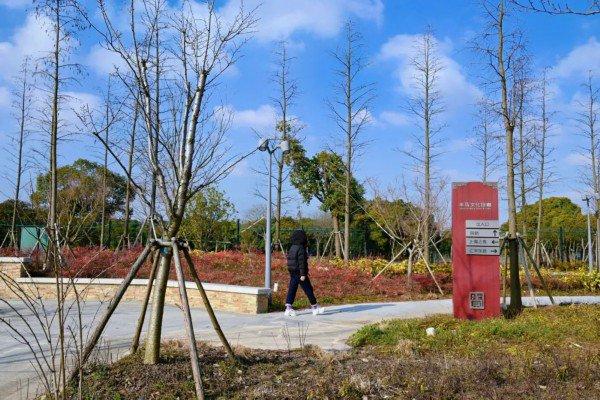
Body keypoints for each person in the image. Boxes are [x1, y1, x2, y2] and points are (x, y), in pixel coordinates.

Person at [284, 229, 324, 316]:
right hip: (300, 272)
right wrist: (303, 274)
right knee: (308, 289)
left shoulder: (292, 247)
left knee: (292, 289)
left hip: (293, 272)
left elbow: (290, 261)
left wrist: (291, 271)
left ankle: (288, 308)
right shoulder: (301, 248)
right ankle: (315, 307)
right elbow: (301, 262)